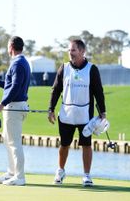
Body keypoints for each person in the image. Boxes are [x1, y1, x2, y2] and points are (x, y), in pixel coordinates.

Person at [48, 39, 106, 187]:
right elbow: (55, 90)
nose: (70, 53)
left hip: (85, 115)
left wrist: (102, 112)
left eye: (73, 50)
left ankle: (86, 175)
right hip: (66, 115)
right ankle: (60, 171)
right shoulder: (64, 68)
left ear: (82, 51)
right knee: (64, 145)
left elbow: (99, 92)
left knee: (86, 145)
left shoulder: (92, 69)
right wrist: (51, 109)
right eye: (69, 50)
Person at [0, 36, 31, 186]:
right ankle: (11, 172)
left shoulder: (17, 63)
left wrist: (2, 103)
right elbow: (12, 85)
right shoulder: (22, 62)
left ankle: (19, 176)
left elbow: (15, 88)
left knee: (14, 143)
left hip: (14, 107)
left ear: (11, 47)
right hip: (16, 105)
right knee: (8, 140)